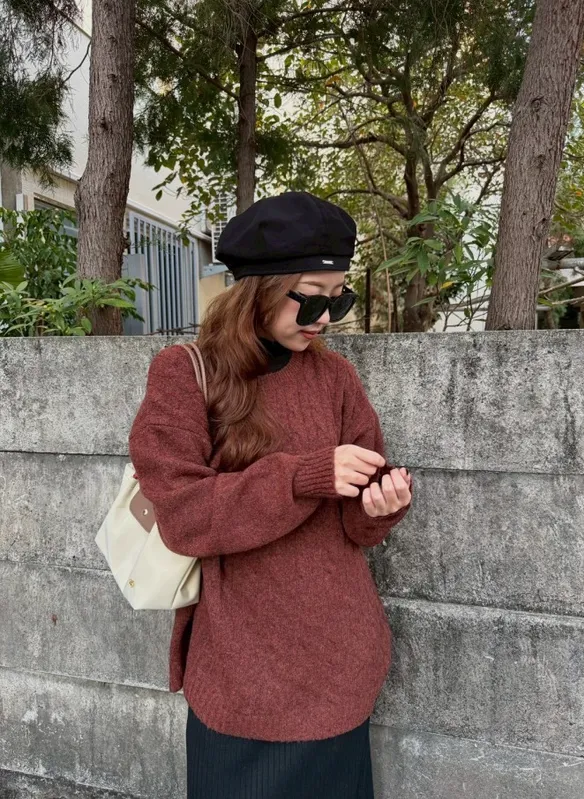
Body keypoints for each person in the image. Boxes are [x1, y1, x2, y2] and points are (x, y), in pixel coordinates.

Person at [128, 191, 413, 799]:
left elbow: (356, 526)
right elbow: (185, 517)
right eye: (311, 296)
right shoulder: (186, 373)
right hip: (241, 674)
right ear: (257, 290)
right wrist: (303, 476)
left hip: (340, 664)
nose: (326, 317)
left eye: (340, 298)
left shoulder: (336, 378)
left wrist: (379, 507)